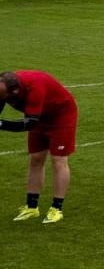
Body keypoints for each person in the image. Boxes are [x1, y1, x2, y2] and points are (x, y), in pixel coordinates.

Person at [1, 70, 78, 224]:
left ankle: (57, 208)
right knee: (36, 158)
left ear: (14, 92)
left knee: (58, 160)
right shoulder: (4, 88)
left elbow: (29, 124)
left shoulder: (36, 87)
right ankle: (32, 207)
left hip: (60, 117)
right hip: (38, 116)